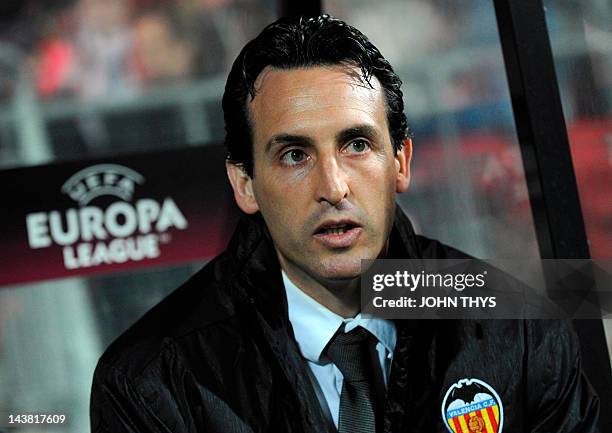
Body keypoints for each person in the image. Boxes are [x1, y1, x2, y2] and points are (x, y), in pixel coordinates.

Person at [90, 15, 599, 433]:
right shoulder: (152, 381)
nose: (333, 187)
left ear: (400, 162)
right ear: (245, 183)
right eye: (294, 155)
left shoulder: (519, 329)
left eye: (356, 145)